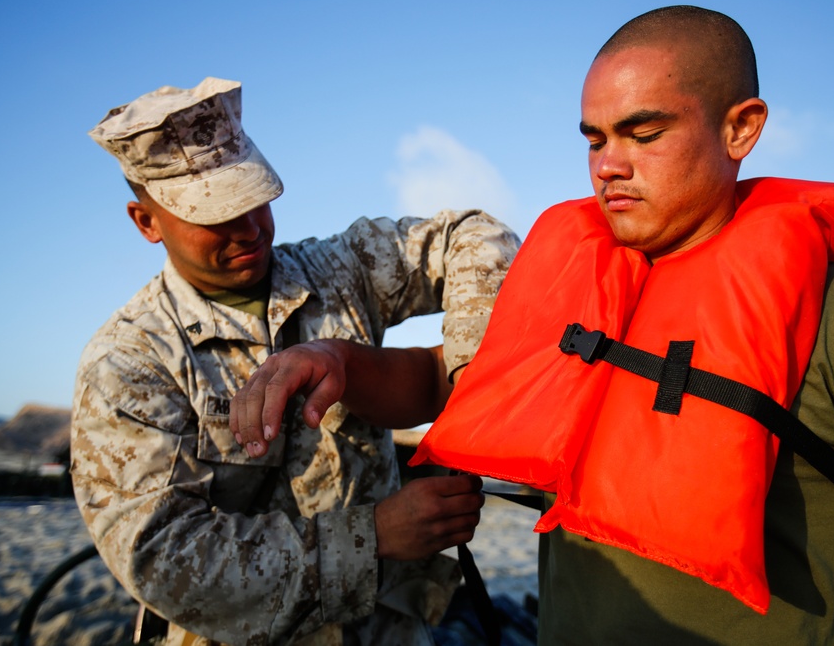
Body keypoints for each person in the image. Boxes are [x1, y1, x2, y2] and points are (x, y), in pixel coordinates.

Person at [405, 6, 834, 645]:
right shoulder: (574, 302)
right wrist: (335, 364)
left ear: (741, 129)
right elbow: (445, 374)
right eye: (595, 139)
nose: (608, 165)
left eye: (643, 133)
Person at [71, 77, 520, 645]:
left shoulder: (339, 271)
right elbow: (163, 561)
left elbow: (472, 234)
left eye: (252, 198)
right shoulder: (128, 363)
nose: (248, 229)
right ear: (146, 222)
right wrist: (372, 536)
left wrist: (475, 377)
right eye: (214, 214)